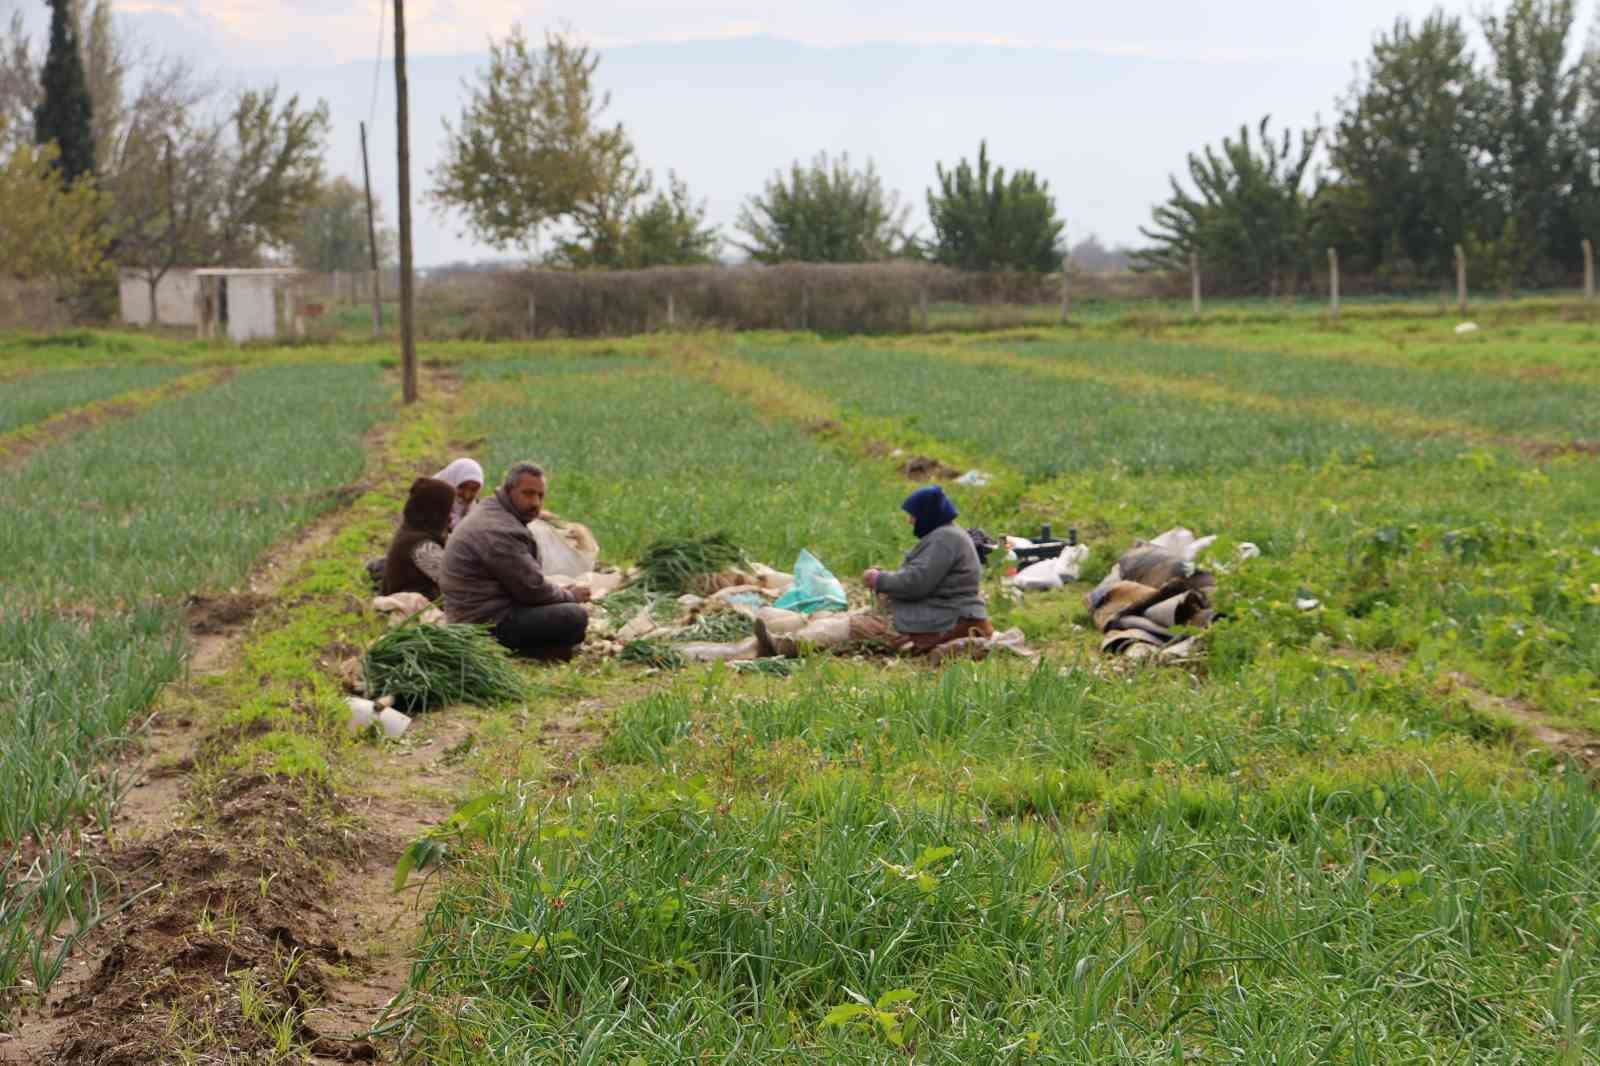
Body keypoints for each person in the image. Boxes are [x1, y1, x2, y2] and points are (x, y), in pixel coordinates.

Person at [754, 485, 991, 658]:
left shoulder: (945, 540)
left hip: (938, 618)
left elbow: (916, 582)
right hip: (935, 611)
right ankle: (786, 634)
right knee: (841, 619)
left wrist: (880, 579)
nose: (910, 521)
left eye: (913, 515)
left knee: (848, 627)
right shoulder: (947, 536)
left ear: (928, 515)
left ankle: (782, 645)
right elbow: (921, 576)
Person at [440, 461, 590, 661]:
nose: (536, 503)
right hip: (482, 625)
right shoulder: (500, 529)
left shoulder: (492, 509)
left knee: (562, 611)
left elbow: (527, 581)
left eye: (540, 496)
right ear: (509, 491)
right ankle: (529, 652)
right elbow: (532, 590)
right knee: (574, 617)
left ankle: (546, 649)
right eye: (528, 494)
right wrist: (570, 595)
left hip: (475, 613)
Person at [380, 477, 455, 599]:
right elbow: (456, 583)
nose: (451, 517)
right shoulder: (422, 546)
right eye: (448, 510)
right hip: (413, 611)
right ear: (435, 511)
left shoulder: (410, 531)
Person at [433, 457, 485, 532]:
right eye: (462, 487)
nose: (467, 495)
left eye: (474, 490)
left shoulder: (475, 511)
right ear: (451, 480)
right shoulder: (431, 501)